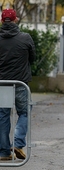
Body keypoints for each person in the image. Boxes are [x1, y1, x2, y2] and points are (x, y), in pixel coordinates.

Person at [0, 8, 35, 161]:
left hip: (2, 83)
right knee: (25, 111)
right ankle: (19, 142)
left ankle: (4, 152)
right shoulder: (25, 38)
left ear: (2, 21)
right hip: (21, 82)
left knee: (3, 115)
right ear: (15, 20)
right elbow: (32, 58)